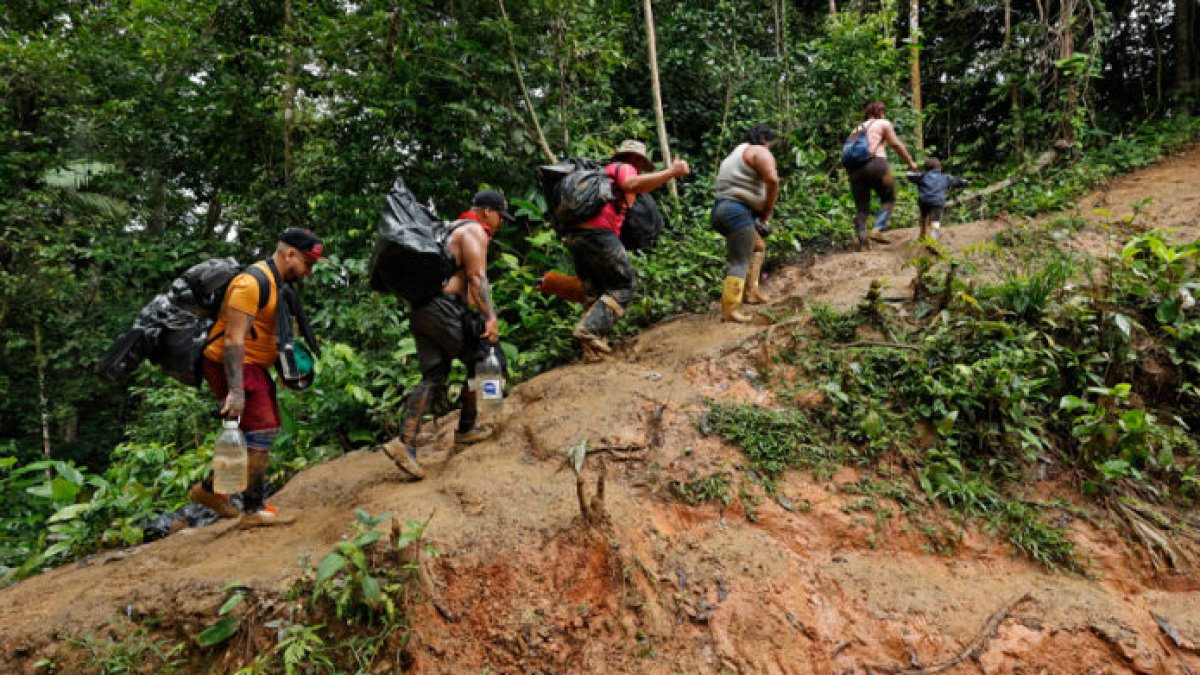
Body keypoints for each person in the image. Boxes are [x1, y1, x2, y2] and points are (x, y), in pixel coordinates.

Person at [188, 227, 324, 526]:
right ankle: (252, 509)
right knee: (262, 431)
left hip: (254, 366)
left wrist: (283, 369)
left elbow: (268, 333)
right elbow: (233, 340)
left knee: (257, 434)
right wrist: (235, 391)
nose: (308, 273)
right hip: (233, 364)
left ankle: (210, 491)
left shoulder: (278, 285)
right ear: (290, 255)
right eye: (307, 264)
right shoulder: (250, 284)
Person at [378, 190, 512, 480]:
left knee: (434, 375)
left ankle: (404, 443)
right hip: (444, 310)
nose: (501, 222)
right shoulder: (475, 230)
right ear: (488, 212)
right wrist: (490, 318)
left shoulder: (448, 229)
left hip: (422, 310)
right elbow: (477, 279)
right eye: (501, 215)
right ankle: (467, 428)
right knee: (486, 357)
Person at [564, 140, 691, 361]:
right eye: (640, 163)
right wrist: (671, 172)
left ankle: (591, 352)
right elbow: (631, 184)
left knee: (596, 292)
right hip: (599, 233)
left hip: (576, 236)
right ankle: (590, 330)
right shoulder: (624, 167)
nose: (640, 168)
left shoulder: (603, 174)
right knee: (624, 284)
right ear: (635, 158)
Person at [711, 124, 780, 323]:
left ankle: (751, 292)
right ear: (765, 140)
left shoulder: (736, 152)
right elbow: (773, 181)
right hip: (736, 211)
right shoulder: (759, 151)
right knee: (740, 260)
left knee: (758, 247)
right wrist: (766, 212)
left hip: (725, 210)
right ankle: (730, 310)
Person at [846, 101, 918, 250]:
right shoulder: (882, 123)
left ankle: (863, 244)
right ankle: (877, 229)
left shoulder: (857, 129)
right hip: (876, 165)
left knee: (862, 209)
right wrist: (911, 162)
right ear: (880, 112)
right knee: (889, 198)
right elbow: (896, 144)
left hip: (854, 171)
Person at [906, 157, 969, 241]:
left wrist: (911, 167)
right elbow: (957, 181)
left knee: (923, 217)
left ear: (925, 168)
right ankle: (933, 238)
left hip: (924, 201)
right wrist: (966, 182)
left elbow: (910, 176)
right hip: (937, 202)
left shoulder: (922, 176)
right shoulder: (945, 177)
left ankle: (922, 236)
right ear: (940, 167)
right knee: (936, 220)